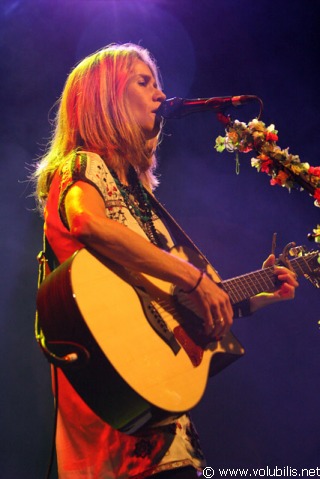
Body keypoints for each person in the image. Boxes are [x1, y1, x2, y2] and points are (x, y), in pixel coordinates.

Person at [33, 43, 298, 479]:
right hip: (115, 419)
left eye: (158, 83)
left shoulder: (140, 196)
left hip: (158, 417)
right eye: (144, 82)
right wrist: (192, 279)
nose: (160, 95)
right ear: (107, 96)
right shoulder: (82, 166)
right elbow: (87, 223)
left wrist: (253, 297)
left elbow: (161, 305)